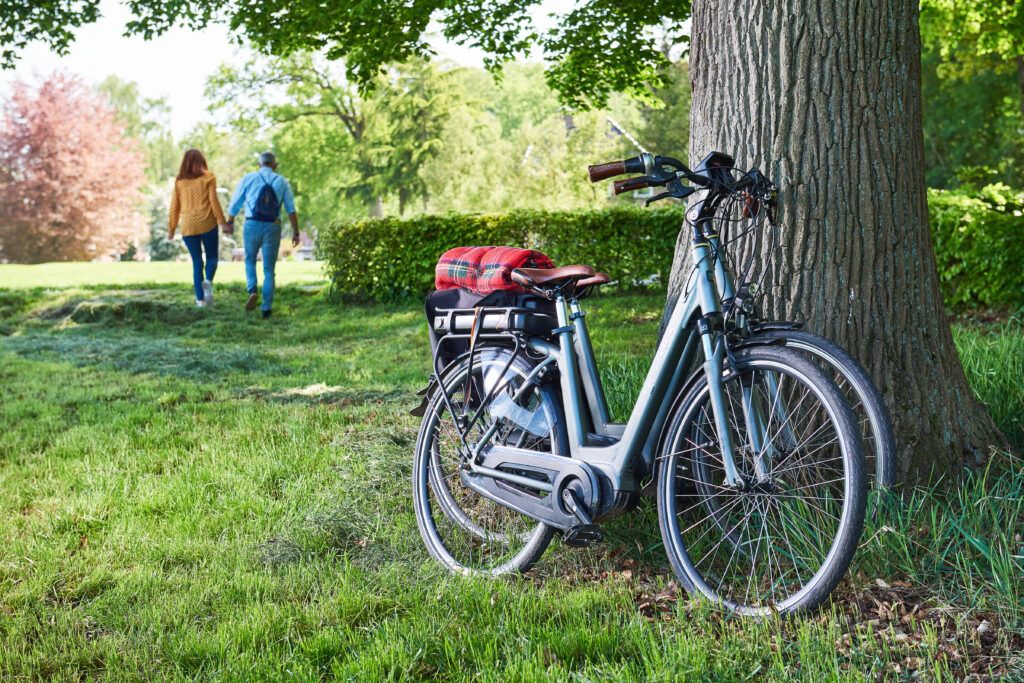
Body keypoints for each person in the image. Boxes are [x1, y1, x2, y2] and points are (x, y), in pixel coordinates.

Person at [224, 151, 300, 319]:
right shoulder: (282, 181)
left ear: (259, 165)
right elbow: (291, 210)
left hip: (251, 224)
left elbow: (236, 201)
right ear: (275, 166)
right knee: (269, 269)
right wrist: (296, 233)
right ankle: (266, 309)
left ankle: (252, 290)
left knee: (250, 259)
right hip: (273, 227)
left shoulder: (249, 178)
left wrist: (230, 221)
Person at [169, 149, 227, 307]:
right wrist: (223, 221)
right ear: (202, 161)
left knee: (196, 263)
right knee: (212, 258)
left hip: (188, 225)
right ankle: (207, 280)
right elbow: (214, 201)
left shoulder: (180, 182)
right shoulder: (208, 177)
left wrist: (172, 228)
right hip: (207, 223)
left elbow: (175, 206)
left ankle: (200, 300)